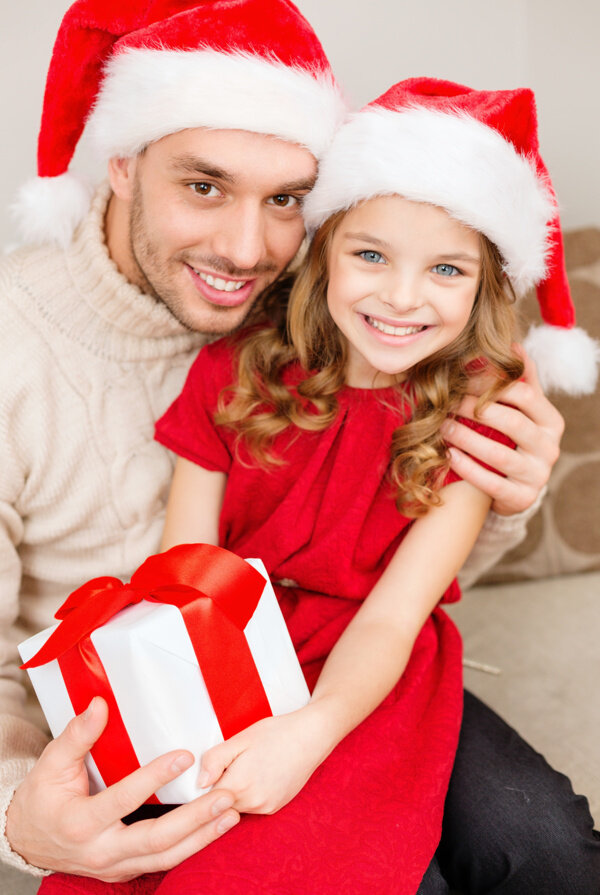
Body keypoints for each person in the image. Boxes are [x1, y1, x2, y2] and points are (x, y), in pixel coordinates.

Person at [0, 0, 577, 886]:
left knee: (543, 845)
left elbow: (395, 579)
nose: (244, 247)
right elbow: (180, 575)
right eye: (203, 185)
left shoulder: (328, 315)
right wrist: (22, 814)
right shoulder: (40, 349)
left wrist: (507, 492)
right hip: (173, 685)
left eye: (285, 201)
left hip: (355, 670)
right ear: (119, 163)